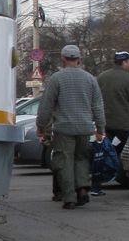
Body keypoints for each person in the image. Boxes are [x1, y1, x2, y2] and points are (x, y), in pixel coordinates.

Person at [36, 44, 105, 210]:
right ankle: (82, 188)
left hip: (64, 128)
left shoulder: (56, 79)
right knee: (81, 158)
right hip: (84, 128)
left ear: (63, 59)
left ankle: (69, 197)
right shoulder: (90, 79)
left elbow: (46, 105)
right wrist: (100, 128)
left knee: (64, 161)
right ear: (79, 59)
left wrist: (41, 125)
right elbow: (98, 106)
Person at [96, 50, 129, 191]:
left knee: (101, 152)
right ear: (124, 62)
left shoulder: (101, 77)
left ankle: (97, 184)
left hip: (105, 123)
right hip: (126, 123)